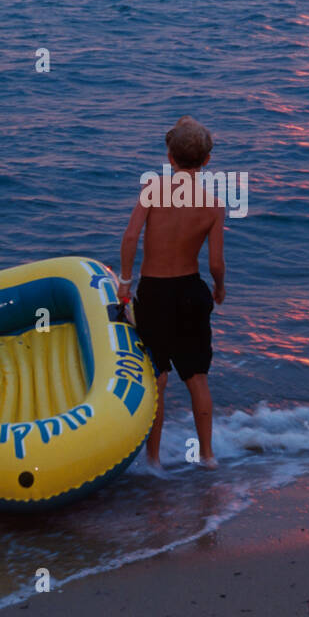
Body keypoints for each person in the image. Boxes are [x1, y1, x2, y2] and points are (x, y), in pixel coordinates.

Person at [119, 116, 226, 469]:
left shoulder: (152, 190)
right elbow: (215, 263)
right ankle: (208, 456)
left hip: (155, 293)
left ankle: (154, 460)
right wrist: (219, 287)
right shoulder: (212, 205)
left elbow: (131, 237)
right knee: (197, 379)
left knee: (158, 379)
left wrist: (124, 279)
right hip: (191, 291)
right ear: (207, 160)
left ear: (169, 156)